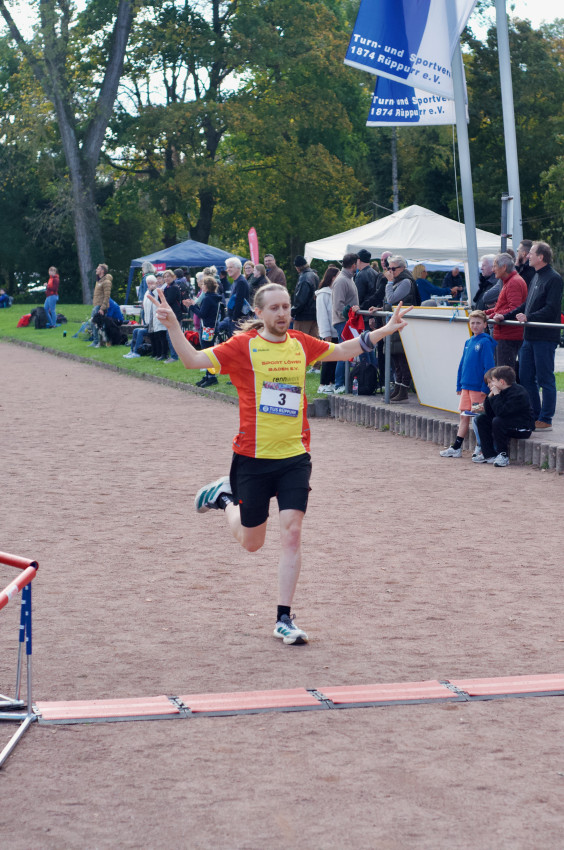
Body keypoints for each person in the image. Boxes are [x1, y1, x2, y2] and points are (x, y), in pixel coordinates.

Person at [147, 282, 411, 644]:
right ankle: (223, 497)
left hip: (294, 458)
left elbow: (343, 350)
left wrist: (385, 329)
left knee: (292, 532)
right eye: (274, 308)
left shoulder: (301, 343)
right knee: (252, 543)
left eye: (286, 307)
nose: (283, 313)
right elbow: (192, 360)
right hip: (252, 458)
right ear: (259, 312)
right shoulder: (242, 346)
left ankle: (284, 618)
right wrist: (174, 326)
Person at [494, 241, 563, 432]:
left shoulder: (554, 278)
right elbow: (526, 305)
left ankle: (546, 419)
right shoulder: (536, 276)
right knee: (525, 376)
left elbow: (551, 308)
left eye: (531, 253)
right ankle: (534, 415)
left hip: (544, 337)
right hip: (529, 336)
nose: (527, 255)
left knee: (545, 378)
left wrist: (528, 317)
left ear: (541, 257)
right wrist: (505, 316)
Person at [439, 311, 496, 458]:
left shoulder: (485, 342)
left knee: (478, 418)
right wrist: (459, 384)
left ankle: (481, 447)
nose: (475, 325)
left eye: (478, 323)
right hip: (466, 387)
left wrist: (485, 387)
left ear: (485, 324)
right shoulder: (468, 342)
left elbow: (489, 367)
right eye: (473, 323)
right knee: (464, 416)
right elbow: (462, 364)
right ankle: (457, 447)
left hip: (478, 389)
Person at [473, 365, 535, 467]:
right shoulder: (501, 391)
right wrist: (490, 397)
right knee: (482, 419)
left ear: (501, 382)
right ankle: (489, 455)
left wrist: (496, 395)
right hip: (508, 423)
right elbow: (489, 413)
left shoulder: (518, 393)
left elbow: (501, 412)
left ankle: (503, 455)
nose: (491, 384)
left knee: (498, 421)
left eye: (493, 381)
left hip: (522, 429)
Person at [382, 255, 418, 403]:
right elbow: (389, 302)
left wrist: (389, 282)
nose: (390, 271)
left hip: (402, 325)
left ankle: (403, 390)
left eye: (393, 268)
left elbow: (391, 299)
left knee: (402, 359)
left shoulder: (405, 282)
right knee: (396, 359)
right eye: (389, 268)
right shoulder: (398, 281)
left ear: (402, 268)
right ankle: (398, 388)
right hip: (394, 324)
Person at [484, 253, 527, 370]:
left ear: (503, 267)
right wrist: (486, 313)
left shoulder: (513, 282)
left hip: (508, 335)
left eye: (494, 266)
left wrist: (490, 316)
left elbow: (515, 308)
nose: (493, 270)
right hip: (506, 334)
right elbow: (503, 307)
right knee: (502, 371)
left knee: (503, 373)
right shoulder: (510, 281)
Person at [184, 275, 223, 388]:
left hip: (207, 327)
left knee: (207, 353)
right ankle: (208, 375)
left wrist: (192, 306)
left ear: (206, 286)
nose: (201, 286)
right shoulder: (214, 297)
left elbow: (202, 314)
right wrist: (194, 305)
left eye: (203, 285)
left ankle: (211, 376)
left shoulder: (207, 298)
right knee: (208, 351)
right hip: (211, 327)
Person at [331, 253, 359, 394]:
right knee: (344, 352)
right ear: (354, 265)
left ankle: (342, 383)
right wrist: (350, 314)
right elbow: (338, 306)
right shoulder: (342, 280)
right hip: (343, 322)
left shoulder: (348, 278)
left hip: (347, 321)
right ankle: (339, 384)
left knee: (347, 352)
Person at [315, 266, 340, 393]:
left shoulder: (335, 291)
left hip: (336, 330)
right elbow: (322, 315)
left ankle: (331, 382)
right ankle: (323, 384)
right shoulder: (323, 294)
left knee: (335, 359)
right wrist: (325, 333)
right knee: (328, 359)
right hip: (328, 331)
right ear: (332, 277)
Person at [219, 257, 250, 338]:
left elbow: (239, 301)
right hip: (234, 319)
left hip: (238, 320)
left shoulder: (241, 282)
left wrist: (234, 318)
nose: (228, 269)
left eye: (231, 267)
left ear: (238, 268)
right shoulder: (237, 281)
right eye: (227, 267)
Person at [292, 255, 319, 337]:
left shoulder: (304, 278)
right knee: (313, 341)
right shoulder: (314, 275)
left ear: (297, 268)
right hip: (314, 314)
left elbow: (301, 300)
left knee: (299, 340)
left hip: (303, 316)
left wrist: (292, 312)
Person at [88, 263, 112, 348]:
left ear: (102, 271)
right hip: (96, 306)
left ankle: (100, 342)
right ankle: (96, 341)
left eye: (98, 268)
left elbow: (107, 296)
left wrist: (102, 308)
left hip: (100, 307)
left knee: (99, 325)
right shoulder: (99, 281)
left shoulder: (106, 282)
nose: (96, 270)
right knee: (94, 324)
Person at [162, 269, 183, 362]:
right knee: (170, 336)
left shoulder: (173, 287)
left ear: (173, 277)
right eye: (165, 277)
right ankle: (174, 355)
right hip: (170, 314)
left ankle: (174, 356)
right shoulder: (167, 288)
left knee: (172, 336)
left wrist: (161, 295)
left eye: (168, 276)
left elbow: (168, 301)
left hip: (175, 315)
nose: (166, 278)